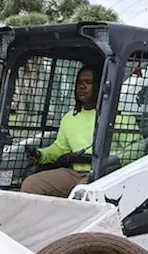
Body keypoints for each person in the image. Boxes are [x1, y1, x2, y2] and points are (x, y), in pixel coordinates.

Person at [21, 65, 100, 197]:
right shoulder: (69, 118)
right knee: (30, 185)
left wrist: (108, 159)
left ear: (99, 86)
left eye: (88, 82)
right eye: (79, 83)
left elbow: (136, 148)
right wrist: (40, 154)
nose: (82, 86)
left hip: (103, 174)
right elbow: (60, 148)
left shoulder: (116, 115)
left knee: (82, 194)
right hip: (74, 172)